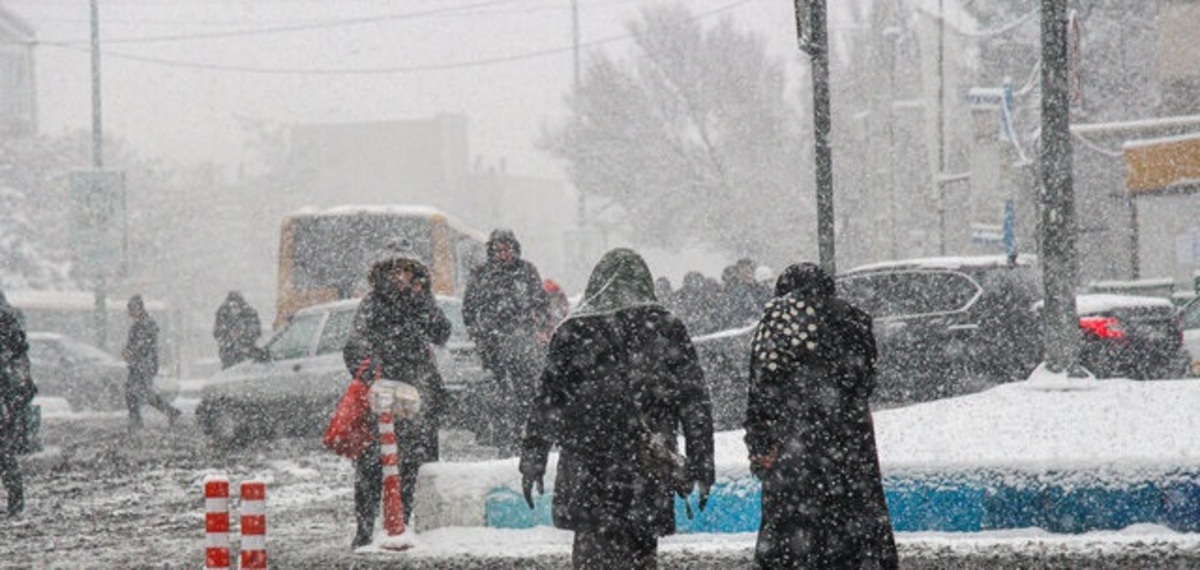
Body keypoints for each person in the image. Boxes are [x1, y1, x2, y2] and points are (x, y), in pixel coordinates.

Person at [520, 248, 715, 570]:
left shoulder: (573, 332)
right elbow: (695, 402)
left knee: (590, 551)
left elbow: (547, 403)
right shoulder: (666, 326)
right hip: (646, 465)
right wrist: (701, 464)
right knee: (640, 551)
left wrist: (533, 460)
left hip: (587, 467)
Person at [743, 263, 898, 569]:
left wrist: (760, 443)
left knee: (794, 537)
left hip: (796, 445)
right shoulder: (854, 318)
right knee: (852, 529)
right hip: (850, 443)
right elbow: (866, 382)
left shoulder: (780, 316)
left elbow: (763, 386)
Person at [342, 256, 452, 549]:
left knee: (415, 463)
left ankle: (404, 522)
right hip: (382, 395)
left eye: (405, 271)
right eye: (394, 271)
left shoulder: (421, 301)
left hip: (418, 395)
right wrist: (370, 372)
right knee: (370, 464)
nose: (399, 277)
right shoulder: (373, 303)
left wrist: (424, 301)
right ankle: (365, 529)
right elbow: (354, 345)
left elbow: (442, 333)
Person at [461, 229, 550, 455]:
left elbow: (541, 303)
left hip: (523, 342)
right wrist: (480, 335)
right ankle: (501, 438)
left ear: (515, 249)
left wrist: (538, 327)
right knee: (497, 393)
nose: (503, 254)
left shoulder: (527, 271)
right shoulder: (481, 274)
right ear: (491, 251)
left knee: (525, 391)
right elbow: (469, 310)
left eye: (507, 249)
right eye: (498, 249)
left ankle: (524, 434)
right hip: (492, 344)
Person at [122, 295, 181, 432]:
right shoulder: (139, 325)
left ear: (138, 308)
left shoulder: (145, 324)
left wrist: (132, 354)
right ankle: (168, 412)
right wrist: (128, 352)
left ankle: (137, 420)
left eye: (131, 309)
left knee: (135, 392)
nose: (129, 312)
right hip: (140, 364)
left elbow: (144, 346)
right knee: (139, 393)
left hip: (144, 365)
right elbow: (136, 345)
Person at [0, 291, 35, 517]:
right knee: (5, 450)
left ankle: (16, 499)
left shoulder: (6, 321)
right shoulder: (8, 319)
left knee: (4, 450)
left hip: (7, 393)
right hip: (9, 394)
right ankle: (16, 500)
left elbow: (19, 352)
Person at [213, 291, 263, 369]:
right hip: (232, 354)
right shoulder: (222, 315)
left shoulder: (249, 314)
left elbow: (256, 331)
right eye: (232, 306)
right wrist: (231, 336)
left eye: (236, 306)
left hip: (242, 353)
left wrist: (242, 335)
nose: (235, 309)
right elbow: (217, 334)